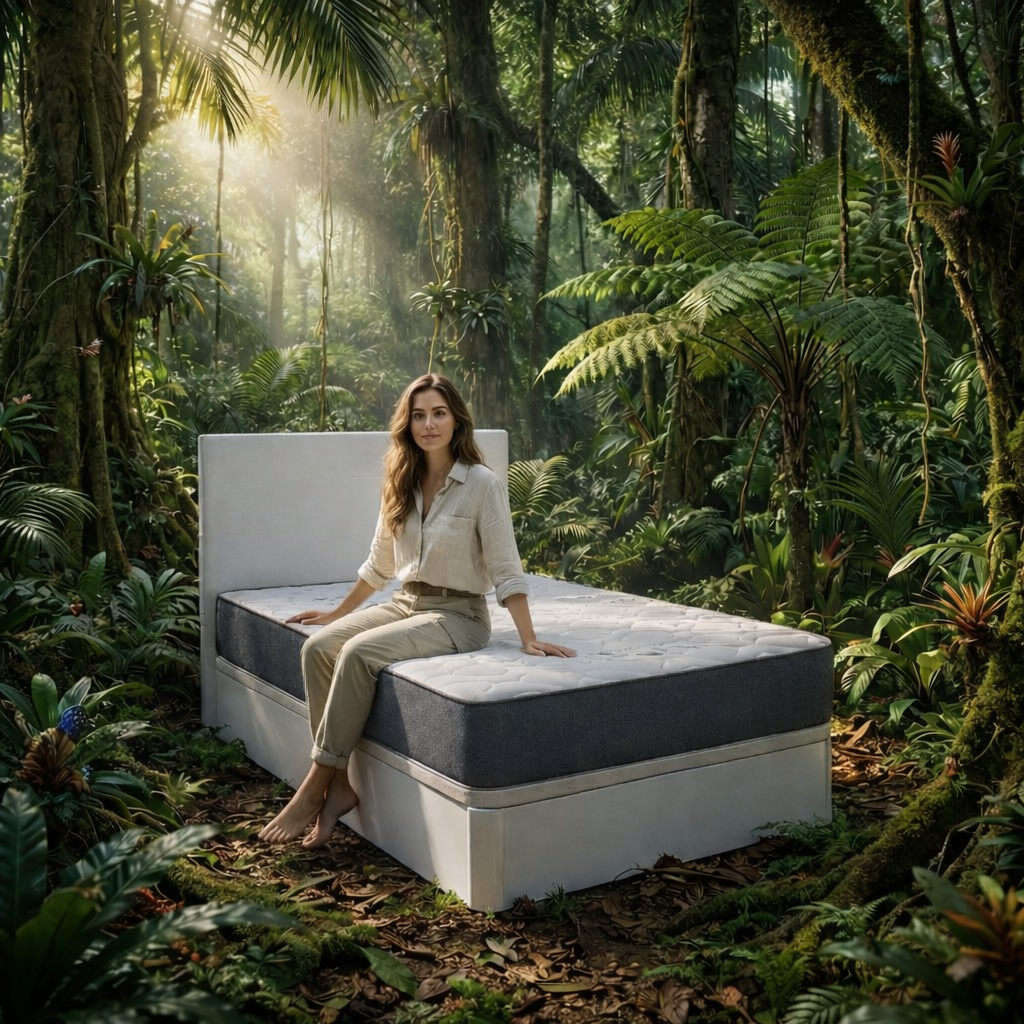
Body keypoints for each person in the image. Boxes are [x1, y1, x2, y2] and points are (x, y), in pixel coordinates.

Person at [259, 373, 576, 848]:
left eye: (439, 414)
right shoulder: (400, 480)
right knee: (319, 648)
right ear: (407, 424)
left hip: (459, 616)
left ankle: (312, 787)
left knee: (358, 654)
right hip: (405, 602)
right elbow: (379, 564)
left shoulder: (482, 484)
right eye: (419, 415)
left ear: (456, 421)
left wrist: (528, 637)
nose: (429, 424)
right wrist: (336, 614)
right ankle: (339, 786)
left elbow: (506, 567)